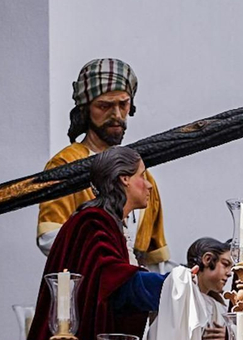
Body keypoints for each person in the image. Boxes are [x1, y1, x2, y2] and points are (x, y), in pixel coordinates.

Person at [28, 146, 165, 340]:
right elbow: (112, 279)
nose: (148, 186)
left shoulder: (106, 222)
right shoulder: (93, 221)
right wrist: (172, 285)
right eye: (142, 176)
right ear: (124, 179)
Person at [35, 58, 170, 269]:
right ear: (86, 109)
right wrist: (113, 264)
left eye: (123, 104)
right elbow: (51, 238)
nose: (116, 115)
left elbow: (154, 258)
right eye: (104, 106)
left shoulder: (143, 177)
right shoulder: (65, 164)